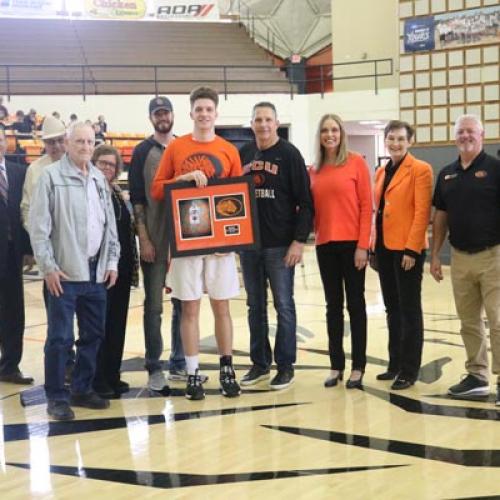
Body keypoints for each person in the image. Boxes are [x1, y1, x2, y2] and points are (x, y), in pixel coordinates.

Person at [151, 86, 242, 400]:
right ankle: (192, 373)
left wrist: (231, 240)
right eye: (198, 109)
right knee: (189, 308)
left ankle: (227, 369)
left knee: (222, 307)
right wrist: (183, 179)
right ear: (190, 113)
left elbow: (238, 199)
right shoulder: (176, 149)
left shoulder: (229, 150)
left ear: (216, 113)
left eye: (209, 109)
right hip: (187, 239)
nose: (204, 114)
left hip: (220, 245)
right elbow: (157, 190)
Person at [29, 123, 120, 421]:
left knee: (93, 335)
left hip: (95, 274)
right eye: (79, 141)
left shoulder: (97, 179)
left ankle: (81, 388)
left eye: (90, 142)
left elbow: (109, 227)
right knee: (60, 339)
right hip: (64, 275)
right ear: (67, 143)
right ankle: (56, 397)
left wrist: (111, 262)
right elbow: (39, 228)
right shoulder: (50, 178)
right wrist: (48, 268)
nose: (85, 146)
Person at [238, 102, 314, 390]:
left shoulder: (290, 154)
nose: (263, 124)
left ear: (277, 122)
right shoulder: (243, 153)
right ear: (252, 123)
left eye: (268, 119)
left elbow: (306, 203)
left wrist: (298, 241)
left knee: (284, 306)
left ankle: (285, 366)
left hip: (280, 245)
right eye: (258, 119)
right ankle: (259, 364)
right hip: (249, 245)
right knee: (254, 306)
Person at [431, 114, 500, 405]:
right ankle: (477, 375)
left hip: (494, 256)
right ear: (454, 137)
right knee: (468, 321)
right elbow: (440, 217)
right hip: (459, 258)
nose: (466, 136)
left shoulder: (496, 169)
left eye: (471, 131)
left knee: (498, 322)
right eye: (461, 132)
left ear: (482, 135)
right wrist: (434, 254)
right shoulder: (446, 174)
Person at [309, 114, 372, 389]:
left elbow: (366, 207)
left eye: (334, 130)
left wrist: (362, 246)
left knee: (355, 305)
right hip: (325, 246)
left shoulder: (356, 162)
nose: (329, 134)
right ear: (320, 136)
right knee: (332, 307)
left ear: (341, 133)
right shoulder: (314, 169)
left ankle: (358, 367)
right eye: (325, 130)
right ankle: (336, 365)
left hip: (352, 246)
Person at [128, 96, 185, 391]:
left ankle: (179, 362)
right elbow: (137, 199)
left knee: (184, 304)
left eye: (166, 112)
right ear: (151, 118)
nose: (162, 117)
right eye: (157, 113)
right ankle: (154, 366)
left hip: (183, 243)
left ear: (173, 115)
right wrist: (145, 239)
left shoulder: (184, 147)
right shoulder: (142, 151)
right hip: (155, 241)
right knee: (154, 307)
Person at [373, 120, 433, 390]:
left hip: (407, 249)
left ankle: (409, 369)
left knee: (409, 310)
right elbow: (378, 212)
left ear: (410, 141)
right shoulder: (381, 171)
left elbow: (422, 213)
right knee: (392, 309)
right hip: (385, 248)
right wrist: (374, 246)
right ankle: (395, 363)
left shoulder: (420, 170)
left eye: (400, 139)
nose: (395, 143)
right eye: (391, 138)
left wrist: (412, 248)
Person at [92, 145, 139, 397]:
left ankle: (112, 374)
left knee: (117, 325)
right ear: (94, 163)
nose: (108, 168)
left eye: (112, 164)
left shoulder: (118, 192)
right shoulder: (91, 190)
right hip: (102, 270)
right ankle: (98, 379)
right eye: (103, 163)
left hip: (121, 269)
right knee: (100, 326)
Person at [0, 129, 34, 385]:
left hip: (12, 253)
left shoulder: (19, 172)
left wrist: (29, 249)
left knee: (14, 311)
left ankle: (10, 365)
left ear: (6, 142)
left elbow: (26, 213)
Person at [21, 116, 66, 230]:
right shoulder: (34, 169)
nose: (56, 146)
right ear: (44, 144)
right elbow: (27, 208)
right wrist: (37, 237)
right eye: (51, 142)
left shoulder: (78, 166)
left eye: (60, 140)